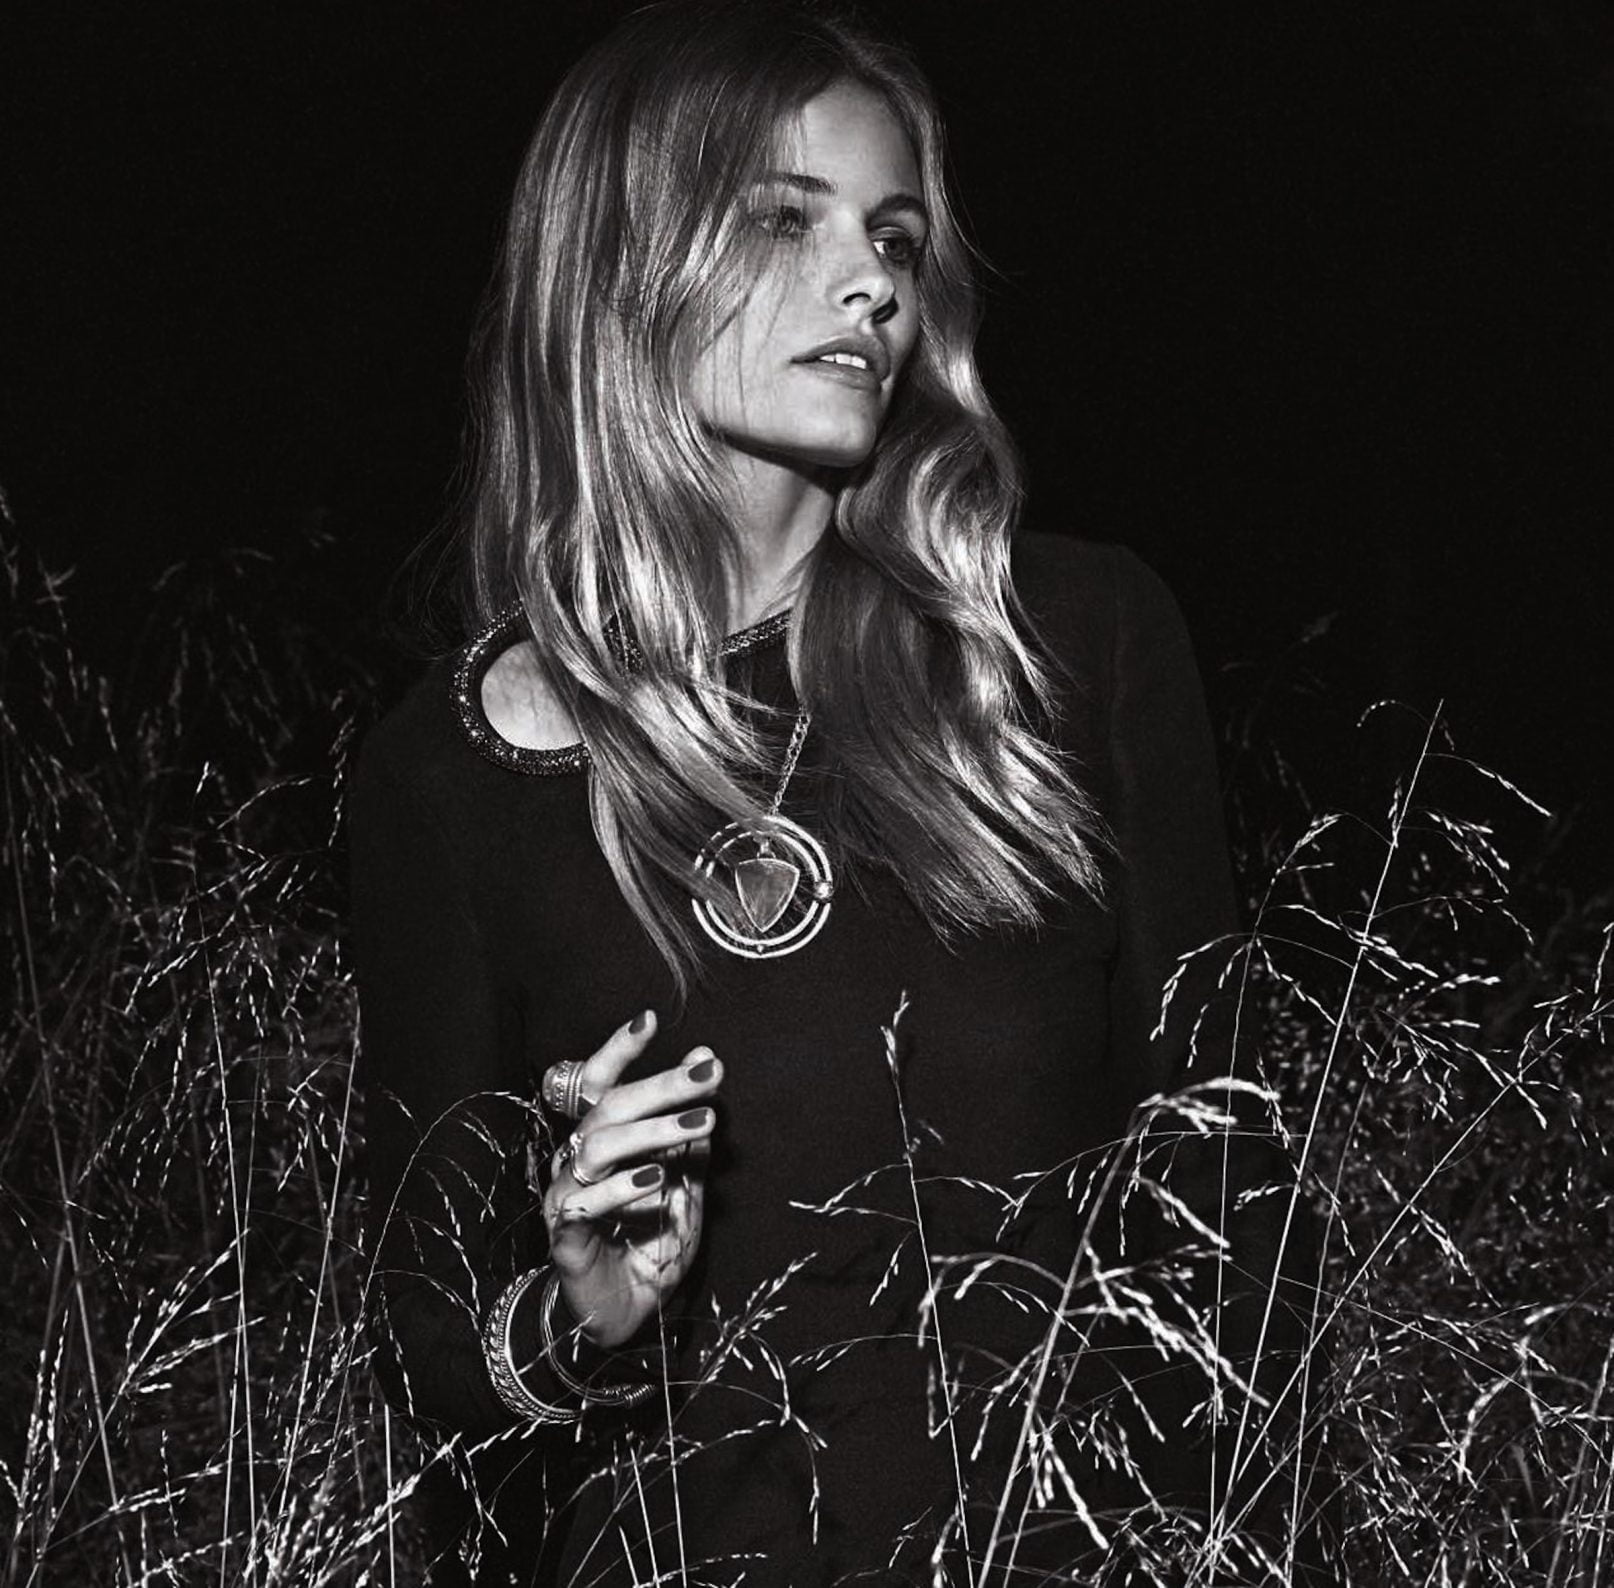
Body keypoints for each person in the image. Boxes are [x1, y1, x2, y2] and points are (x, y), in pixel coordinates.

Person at [351, 3, 1328, 1583]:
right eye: (780, 220)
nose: (870, 281)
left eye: (892, 235)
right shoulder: (451, 771)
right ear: (619, 260)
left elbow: (1235, 1203)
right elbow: (430, 1348)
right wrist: (583, 1309)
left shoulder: (1062, 644)